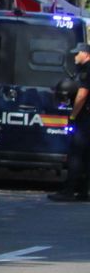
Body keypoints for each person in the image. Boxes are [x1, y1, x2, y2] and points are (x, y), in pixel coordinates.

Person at [49, 42, 90, 201]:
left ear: (85, 53)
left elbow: (82, 95)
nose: (74, 56)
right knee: (86, 156)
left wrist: (73, 116)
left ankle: (69, 191)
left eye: (76, 53)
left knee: (75, 155)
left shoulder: (86, 71)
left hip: (84, 118)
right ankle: (82, 191)